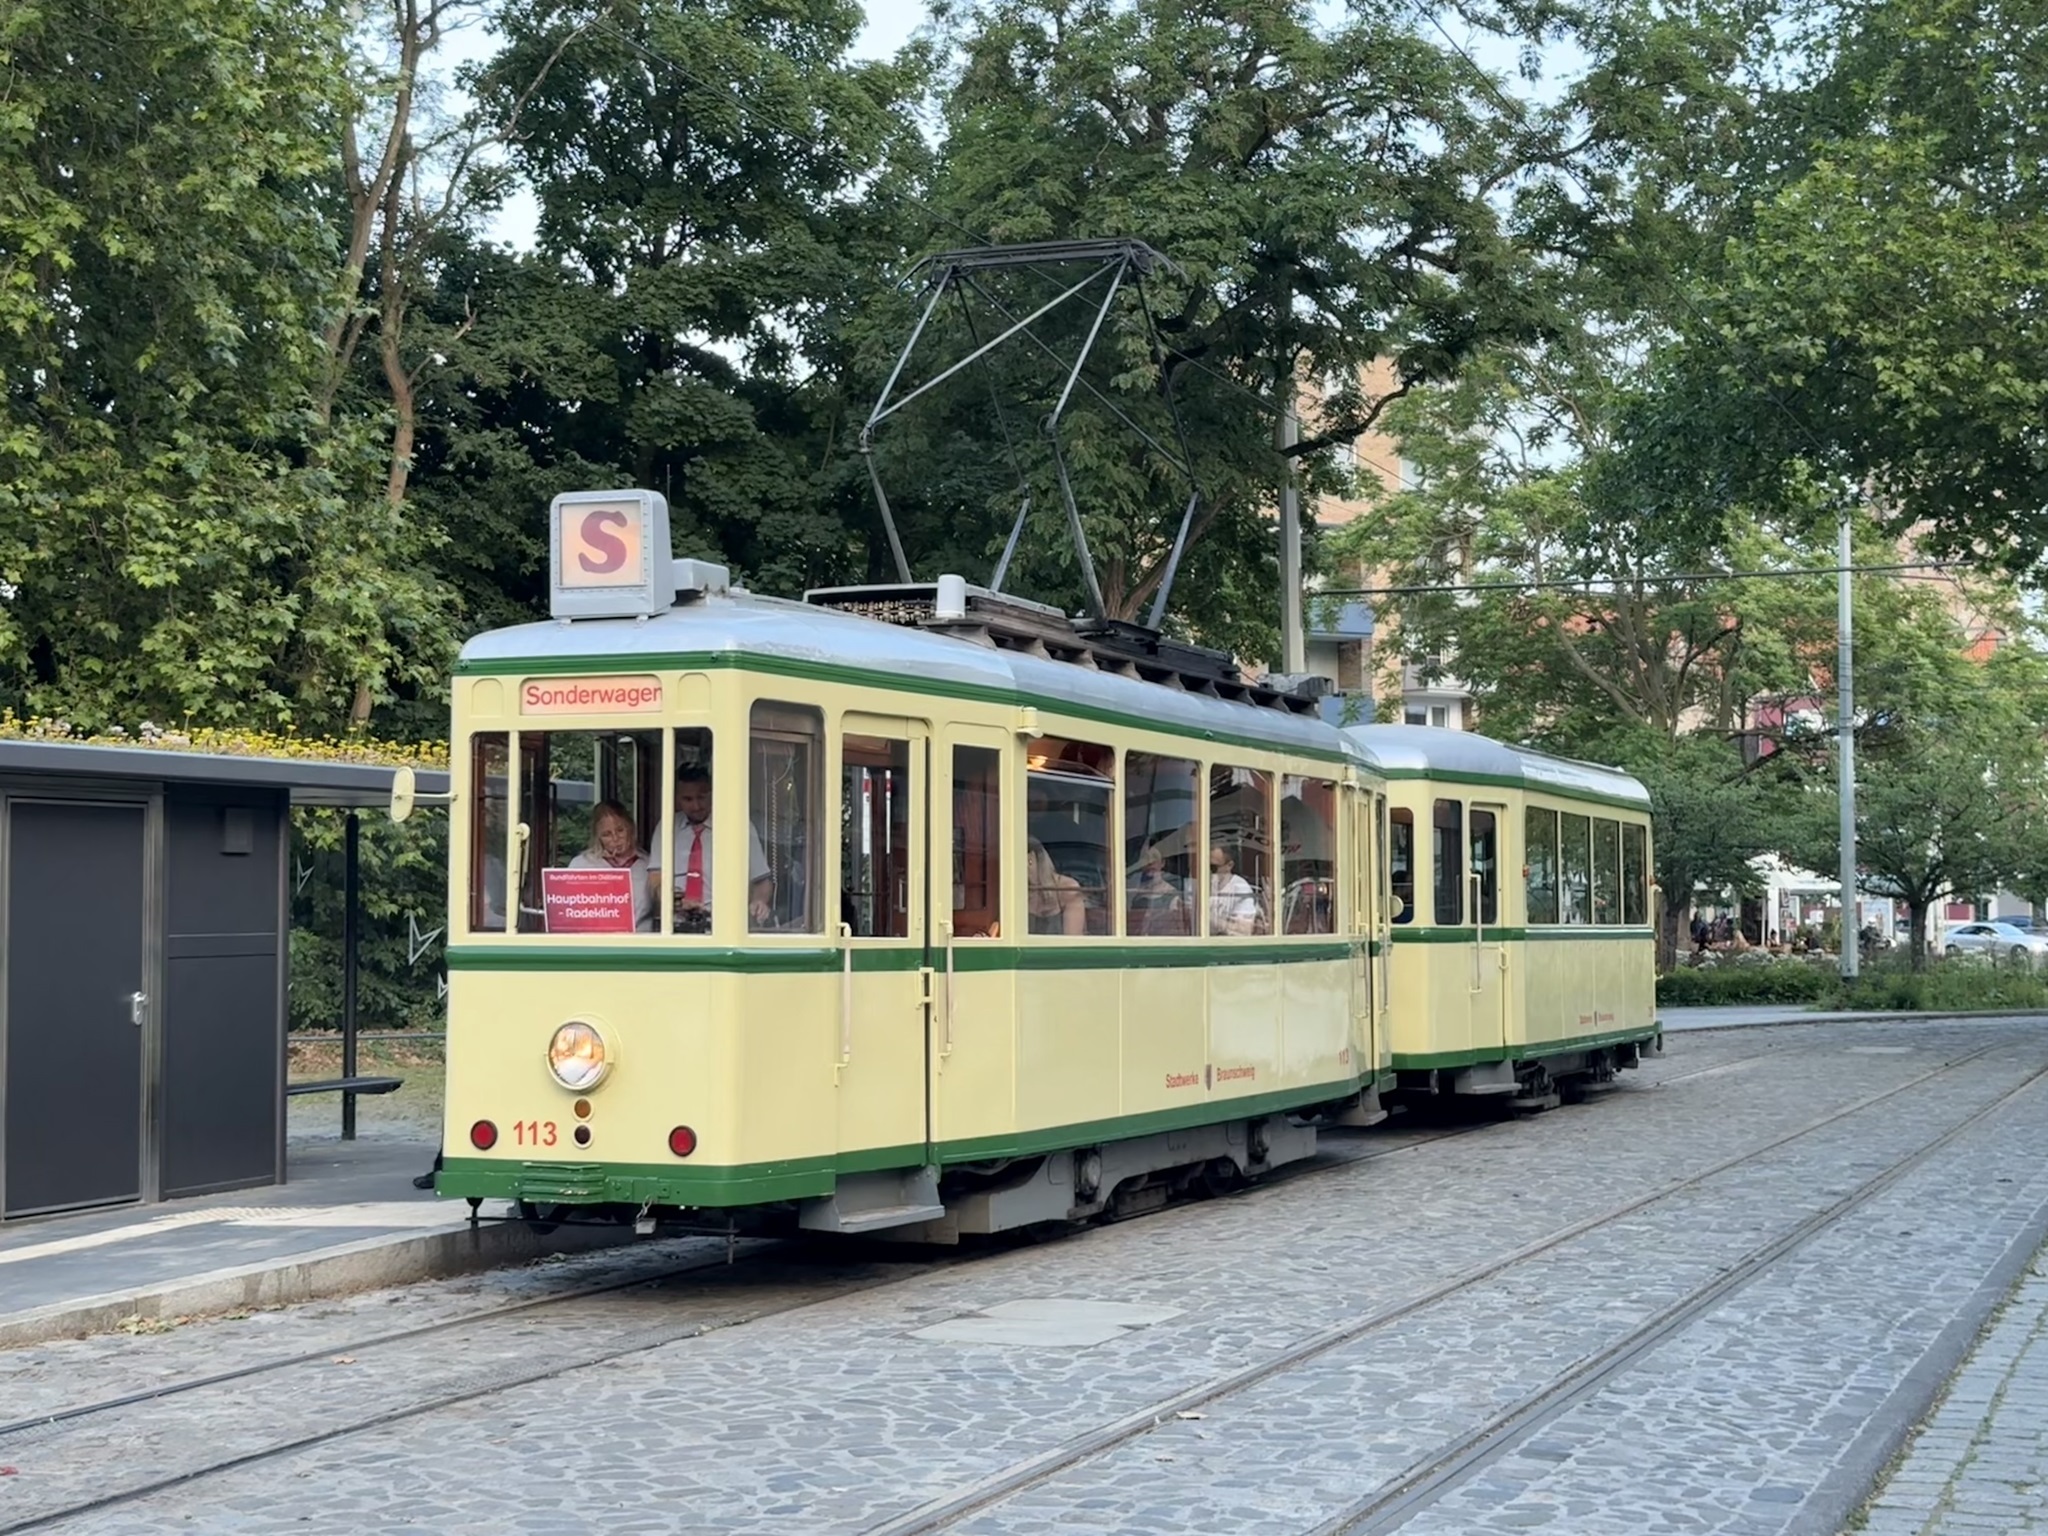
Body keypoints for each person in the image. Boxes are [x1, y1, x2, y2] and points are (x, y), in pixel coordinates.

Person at [648, 765, 771, 931]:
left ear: (713, 794)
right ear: (677, 799)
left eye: (702, 797)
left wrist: (759, 901)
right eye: (688, 799)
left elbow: (761, 879)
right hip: (674, 925)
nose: (696, 806)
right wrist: (672, 899)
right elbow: (655, 878)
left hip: (723, 925)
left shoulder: (737, 825)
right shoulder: (667, 827)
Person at [567, 800, 655, 933]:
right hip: (595, 939)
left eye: (620, 830)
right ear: (598, 837)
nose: (615, 838)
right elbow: (569, 911)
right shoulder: (581, 865)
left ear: (630, 828)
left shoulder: (648, 864)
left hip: (639, 939)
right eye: (606, 834)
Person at [1026, 837, 1087, 935]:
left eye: (1029, 862)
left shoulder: (1067, 888)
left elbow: (1073, 939)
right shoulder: (1015, 891)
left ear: (1040, 860)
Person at [1127, 844, 1184, 934]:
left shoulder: (1172, 895)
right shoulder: (1135, 892)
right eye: (1146, 858)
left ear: (1162, 863)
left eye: (1154, 858)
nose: (1150, 862)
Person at [1209, 845, 1261, 935]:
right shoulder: (1200, 885)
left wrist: (1210, 919)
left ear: (1229, 865)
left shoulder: (1241, 888)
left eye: (1212, 867)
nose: (1208, 872)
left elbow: (1244, 930)